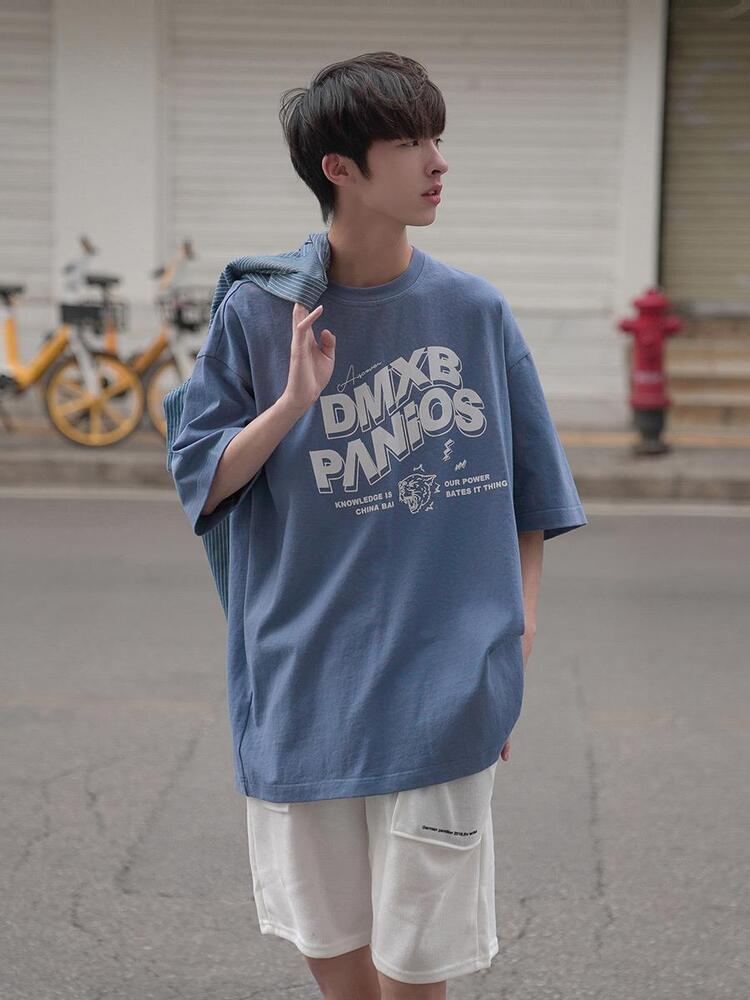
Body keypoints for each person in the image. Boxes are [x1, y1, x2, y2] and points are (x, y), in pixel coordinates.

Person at [170, 50, 588, 1000]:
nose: (438, 161)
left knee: (417, 965)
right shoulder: (260, 311)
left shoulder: (474, 311)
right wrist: (290, 403)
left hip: (446, 684)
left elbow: (530, 490)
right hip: (302, 681)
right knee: (335, 952)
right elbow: (202, 480)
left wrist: (516, 635)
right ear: (341, 168)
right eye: (409, 142)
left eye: (436, 137)